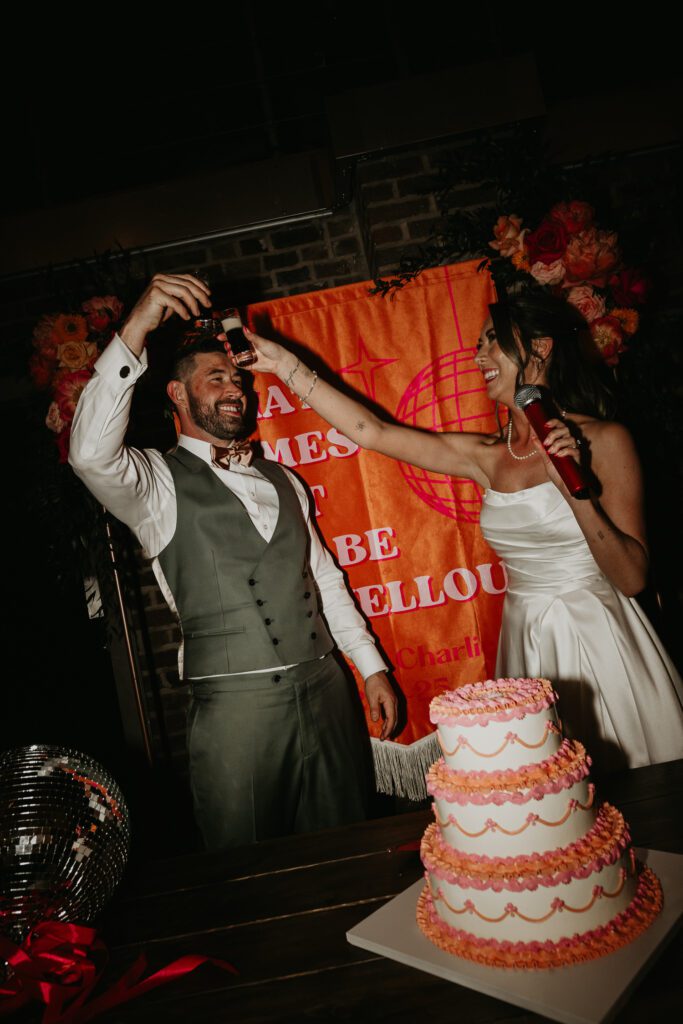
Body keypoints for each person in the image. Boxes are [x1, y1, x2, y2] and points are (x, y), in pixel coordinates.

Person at [243, 289, 683, 771]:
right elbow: (373, 432)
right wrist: (284, 365)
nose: (478, 356)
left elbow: (632, 578)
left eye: (492, 340)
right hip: (526, 637)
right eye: (478, 345)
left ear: (541, 347)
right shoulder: (487, 455)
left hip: (599, 635)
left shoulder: (604, 440)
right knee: (543, 791)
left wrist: (575, 494)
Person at [69, 273, 397, 850]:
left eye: (239, 377)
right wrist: (139, 323)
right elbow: (90, 455)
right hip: (236, 712)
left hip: (328, 690)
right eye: (215, 377)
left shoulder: (284, 478)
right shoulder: (155, 483)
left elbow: (323, 577)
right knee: (245, 864)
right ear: (177, 394)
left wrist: (369, 666)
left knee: (348, 847)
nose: (235, 387)